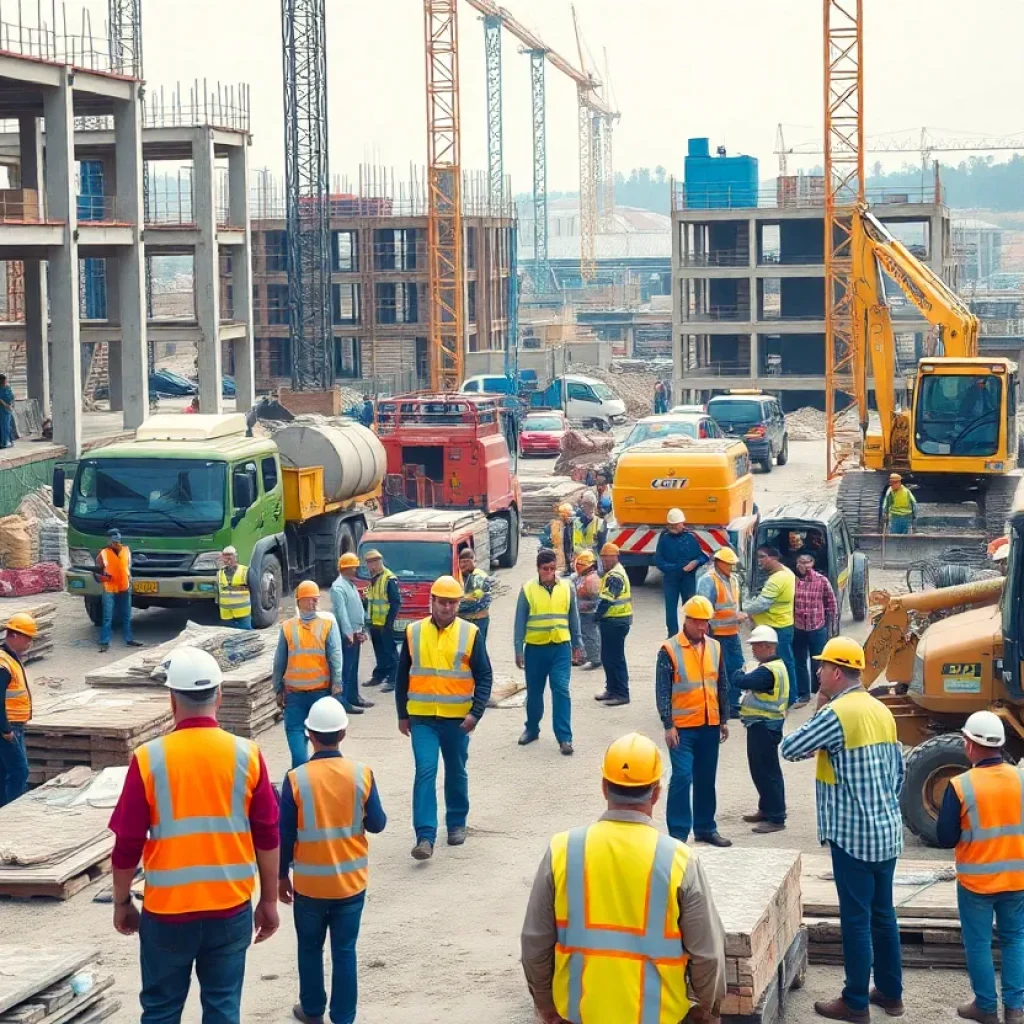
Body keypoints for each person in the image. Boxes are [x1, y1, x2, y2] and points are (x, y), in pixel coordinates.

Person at [108, 647, 281, 1023]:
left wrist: (122, 902)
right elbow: (268, 837)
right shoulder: (247, 755)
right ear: (219, 696)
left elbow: (126, 846)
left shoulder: (148, 758)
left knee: (161, 1010)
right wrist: (268, 900)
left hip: (168, 913)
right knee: (222, 1009)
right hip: (229, 911)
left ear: (172, 699)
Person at [520, 732, 727, 1024]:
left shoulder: (563, 850)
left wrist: (545, 1005)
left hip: (578, 1014)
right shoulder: (678, 859)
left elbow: (534, 942)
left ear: (604, 787)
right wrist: (707, 1008)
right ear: (656, 792)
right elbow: (708, 954)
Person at [780, 637, 904, 1023]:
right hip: (886, 832)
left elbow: (790, 747)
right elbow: (898, 774)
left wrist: (817, 710)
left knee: (855, 919)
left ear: (836, 672)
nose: (817, 672)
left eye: (821, 667)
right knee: (883, 916)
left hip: (853, 837)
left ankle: (854, 1001)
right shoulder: (881, 710)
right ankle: (890, 993)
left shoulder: (836, 714)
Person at [279, 695, 387, 1024]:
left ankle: (311, 1010)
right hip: (350, 885)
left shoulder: (296, 779)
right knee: (344, 952)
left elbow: (285, 835)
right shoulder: (361, 774)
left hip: (310, 886)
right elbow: (378, 823)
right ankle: (343, 1016)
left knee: (309, 949)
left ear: (309, 735)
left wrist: (282, 877)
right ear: (343, 733)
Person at [396, 575, 493, 861]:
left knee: (456, 770)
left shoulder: (471, 633)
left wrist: (476, 713)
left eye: (452, 603)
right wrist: (402, 714)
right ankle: (425, 836)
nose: (447, 608)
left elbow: (484, 675)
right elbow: (403, 676)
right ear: (432, 602)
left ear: (458, 604)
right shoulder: (413, 632)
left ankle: (456, 823)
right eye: (442, 602)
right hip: (423, 718)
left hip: (457, 720)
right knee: (425, 770)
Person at [936, 711, 1024, 1024]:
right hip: (1017, 879)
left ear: (969, 745)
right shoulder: (1021, 778)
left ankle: (986, 1007)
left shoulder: (961, 786)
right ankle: (1015, 1009)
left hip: (976, 882)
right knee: (1015, 939)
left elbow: (945, 838)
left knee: (979, 944)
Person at [657, 595, 732, 848]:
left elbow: (721, 683)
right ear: (686, 620)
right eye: (698, 622)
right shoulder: (669, 649)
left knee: (706, 778)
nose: (702, 627)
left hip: (709, 724)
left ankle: (705, 828)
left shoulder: (715, 647)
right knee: (682, 776)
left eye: (706, 623)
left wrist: (724, 718)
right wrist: (668, 724)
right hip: (683, 728)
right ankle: (678, 833)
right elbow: (662, 690)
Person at [514, 547, 584, 756]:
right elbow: (520, 622)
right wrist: (518, 648)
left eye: (553, 568)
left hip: (560, 648)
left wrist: (578, 644)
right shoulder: (527, 590)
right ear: (538, 569)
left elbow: (574, 617)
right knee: (535, 694)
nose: (549, 572)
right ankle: (532, 728)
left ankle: (565, 738)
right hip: (535, 649)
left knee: (561, 689)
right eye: (545, 569)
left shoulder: (566, 587)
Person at [273, 581, 350, 770]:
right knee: (308, 739)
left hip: (315, 694)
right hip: (301, 694)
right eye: (309, 600)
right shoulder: (289, 627)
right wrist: (277, 689)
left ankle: (303, 777)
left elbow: (335, 656)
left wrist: (337, 683)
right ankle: (307, 774)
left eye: (315, 600)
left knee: (310, 736)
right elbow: (279, 661)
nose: (313, 604)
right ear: (299, 602)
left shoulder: (325, 625)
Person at [735, 625, 789, 834]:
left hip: (764, 725)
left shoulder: (767, 671)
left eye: (756, 646)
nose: (753, 650)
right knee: (764, 770)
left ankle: (776, 816)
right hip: (766, 724)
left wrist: (739, 670)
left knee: (765, 771)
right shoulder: (775, 666)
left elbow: (741, 681)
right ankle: (766, 808)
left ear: (768, 647)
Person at [740, 546, 797, 702]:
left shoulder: (777, 579)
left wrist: (744, 611)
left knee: (783, 663)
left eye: (762, 557)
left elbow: (763, 603)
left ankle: (789, 697)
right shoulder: (786, 572)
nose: (759, 561)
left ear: (774, 558)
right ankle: (788, 695)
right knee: (784, 662)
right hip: (780, 625)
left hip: (776, 627)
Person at [696, 548, 745, 718]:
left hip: (732, 632)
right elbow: (703, 609)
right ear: (718, 563)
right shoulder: (708, 581)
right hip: (715, 634)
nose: (731, 567)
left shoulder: (733, 580)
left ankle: (732, 703)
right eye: (728, 564)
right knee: (717, 671)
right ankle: (719, 704)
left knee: (736, 667)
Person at [793, 551, 838, 708]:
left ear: (812, 563)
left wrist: (832, 629)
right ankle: (804, 694)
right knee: (799, 662)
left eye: (806, 562)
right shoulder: (794, 582)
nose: (803, 566)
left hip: (817, 627)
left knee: (818, 662)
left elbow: (832, 604)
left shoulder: (821, 581)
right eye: (800, 562)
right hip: (798, 628)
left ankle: (819, 693)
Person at [0, 613, 36, 807]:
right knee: (19, 771)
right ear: (13, 635)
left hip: (13, 725)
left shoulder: (9, 658)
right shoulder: (3, 663)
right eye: (27, 637)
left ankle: (4, 811)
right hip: (9, 726)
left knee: (4, 771)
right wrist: (5, 730)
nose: (29, 642)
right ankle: (14, 812)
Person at [655, 508, 707, 637]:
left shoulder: (691, 538)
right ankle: (672, 636)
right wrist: (673, 568)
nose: (673, 528)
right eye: (671, 525)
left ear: (682, 524)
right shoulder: (664, 539)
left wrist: (695, 562)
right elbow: (658, 559)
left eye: (675, 525)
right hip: (671, 579)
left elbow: (704, 556)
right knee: (670, 609)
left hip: (688, 579)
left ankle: (689, 634)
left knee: (690, 607)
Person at [331, 553, 373, 714]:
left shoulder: (351, 585)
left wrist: (362, 629)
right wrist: (348, 633)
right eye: (354, 567)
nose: (356, 570)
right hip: (346, 635)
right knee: (345, 669)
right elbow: (342, 613)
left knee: (354, 667)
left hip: (356, 632)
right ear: (346, 568)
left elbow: (358, 608)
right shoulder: (338, 587)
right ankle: (344, 701)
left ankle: (354, 696)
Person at [594, 542, 632, 707]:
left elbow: (607, 600)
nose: (604, 561)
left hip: (616, 621)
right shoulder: (612, 572)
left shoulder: (615, 575)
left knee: (615, 658)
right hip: (613, 621)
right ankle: (611, 689)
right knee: (608, 657)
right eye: (603, 558)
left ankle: (622, 693)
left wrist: (595, 617)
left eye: (607, 558)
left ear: (614, 557)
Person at [94, 528, 144, 653]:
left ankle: (129, 639)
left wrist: (130, 579)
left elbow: (129, 567)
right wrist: (102, 578)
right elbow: (96, 571)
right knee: (107, 616)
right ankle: (104, 642)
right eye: (113, 539)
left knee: (126, 615)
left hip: (125, 586)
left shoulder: (126, 551)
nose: (115, 541)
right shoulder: (103, 553)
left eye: (117, 538)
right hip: (109, 587)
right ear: (109, 540)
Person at [363, 549, 401, 694]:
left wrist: (389, 623)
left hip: (385, 623)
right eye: (368, 563)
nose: (371, 566)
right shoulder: (373, 578)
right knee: (379, 652)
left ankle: (394, 679)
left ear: (380, 562)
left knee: (391, 652)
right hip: (375, 623)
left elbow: (395, 602)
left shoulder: (389, 578)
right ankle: (379, 675)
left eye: (373, 563)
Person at [571, 550, 602, 671]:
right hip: (581, 612)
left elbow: (598, 599)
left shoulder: (593, 580)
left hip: (589, 613)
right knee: (583, 635)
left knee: (590, 636)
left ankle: (595, 659)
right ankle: (583, 656)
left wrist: (588, 606)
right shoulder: (580, 577)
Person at [457, 547, 493, 644]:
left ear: (472, 561)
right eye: (461, 562)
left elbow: (474, 602)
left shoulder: (478, 577)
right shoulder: (464, 576)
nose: (462, 565)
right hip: (469, 620)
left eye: (466, 562)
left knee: (477, 651)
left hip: (476, 621)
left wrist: (454, 607)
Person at [216, 546, 252, 630]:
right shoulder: (219, 573)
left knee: (245, 635)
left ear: (235, 557)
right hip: (226, 613)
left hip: (242, 612)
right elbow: (219, 592)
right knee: (229, 636)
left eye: (230, 556)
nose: (227, 559)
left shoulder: (245, 571)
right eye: (225, 556)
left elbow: (255, 591)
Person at [569, 491, 606, 561]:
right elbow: (602, 546)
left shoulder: (578, 522)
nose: (582, 507)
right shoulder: (601, 522)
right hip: (592, 560)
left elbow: (576, 545)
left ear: (585, 504)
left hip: (584, 560)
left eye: (583, 504)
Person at [0, 372, 14, 448]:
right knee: (3, 426)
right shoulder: (0, 389)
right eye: (4, 380)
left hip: (8, 409)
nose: (5, 381)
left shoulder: (8, 388)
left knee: (8, 425)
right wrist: (5, 405)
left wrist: (11, 405)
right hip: (2, 409)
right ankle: (4, 442)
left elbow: (12, 397)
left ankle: (9, 440)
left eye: (5, 380)